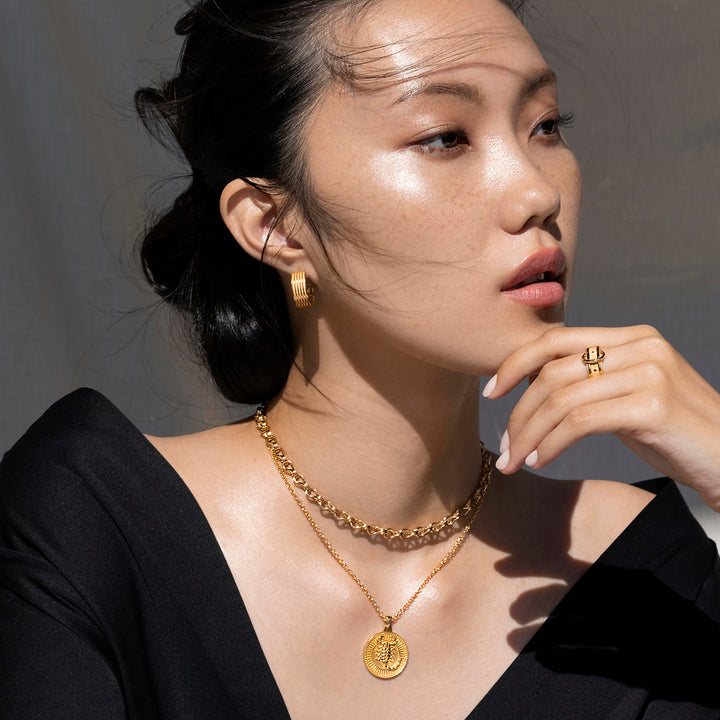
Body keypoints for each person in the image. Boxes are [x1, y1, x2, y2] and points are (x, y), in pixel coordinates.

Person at [1, 0, 719, 718]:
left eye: (545, 125)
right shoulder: (91, 528)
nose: (537, 190)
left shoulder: (639, 570)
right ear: (275, 225)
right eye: (444, 137)